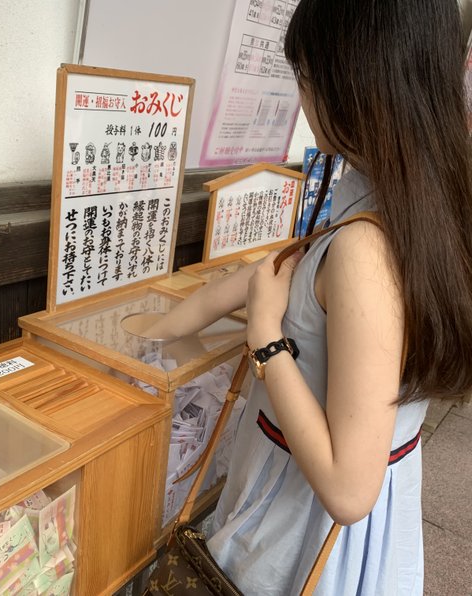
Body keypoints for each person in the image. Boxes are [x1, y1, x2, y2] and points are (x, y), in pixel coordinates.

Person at [147, 0, 472, 593]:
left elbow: (349, 490)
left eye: (307, 76)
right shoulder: (421, 202)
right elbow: (265, 281)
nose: (303, 99)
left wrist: (268, 340)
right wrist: (147, 332)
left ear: (355, 82)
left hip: (309, 526)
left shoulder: (364, 252)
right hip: (359, 509)